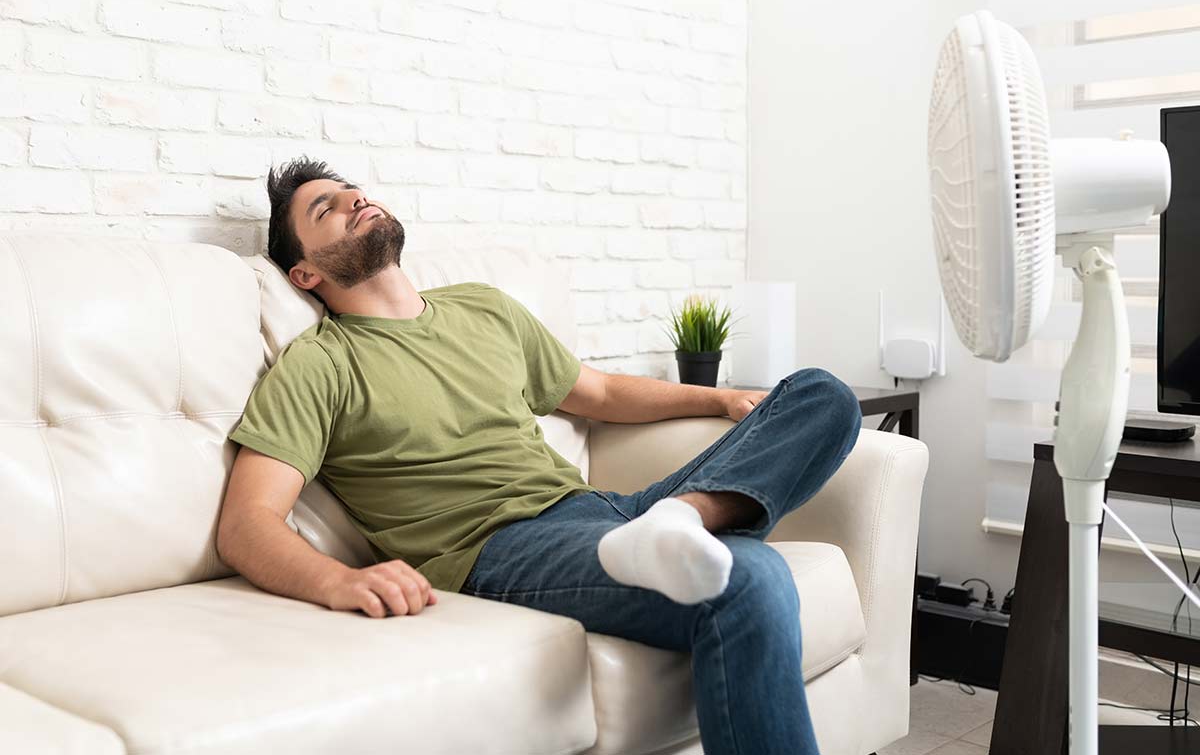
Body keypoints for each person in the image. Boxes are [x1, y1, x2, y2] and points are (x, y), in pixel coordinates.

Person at [219, 156, 863, 755]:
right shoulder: (321, 364)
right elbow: (247, 524)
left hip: (608, 512)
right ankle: (679, 526)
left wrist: (720, 400)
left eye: (353, 190)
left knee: (823, 395)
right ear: (306, 274)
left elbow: (602, 392)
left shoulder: (484, 307)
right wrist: (340, 581)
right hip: (499, 549)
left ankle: (683, 518)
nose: (356, 198)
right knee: (749, 577)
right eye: (326, 208)